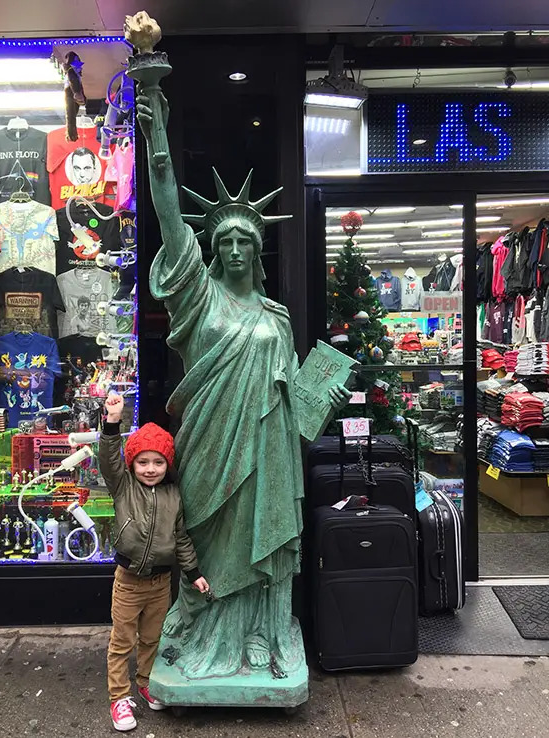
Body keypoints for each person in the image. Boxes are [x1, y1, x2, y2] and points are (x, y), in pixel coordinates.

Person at [135, 87, 350, 680]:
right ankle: (200, 627)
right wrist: (158, 141)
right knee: (203, 536)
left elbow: (292, 398)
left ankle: (261, 633)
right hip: (208, 445)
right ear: (213, 248)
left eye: (243, 241)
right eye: (223, 240)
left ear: (257, 251)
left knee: (265, 537)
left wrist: (320, 403)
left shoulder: (276, 317)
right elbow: (169, 219)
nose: (232, 249)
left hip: (266, 448)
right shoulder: (198, 300)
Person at [99, 391, 209, 732]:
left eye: (158, 462)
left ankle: (145, 682)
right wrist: (112, 422)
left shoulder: (173, 495)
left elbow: (181, 539)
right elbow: (108, 459)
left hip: (161, 583)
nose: (150, 469)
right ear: (132, 464)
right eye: (143, 462)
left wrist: (194, 573)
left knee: (151, 638)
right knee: (122, 641)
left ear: (167, 465)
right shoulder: (123, 485)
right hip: (129, 581)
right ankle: (119, 698)